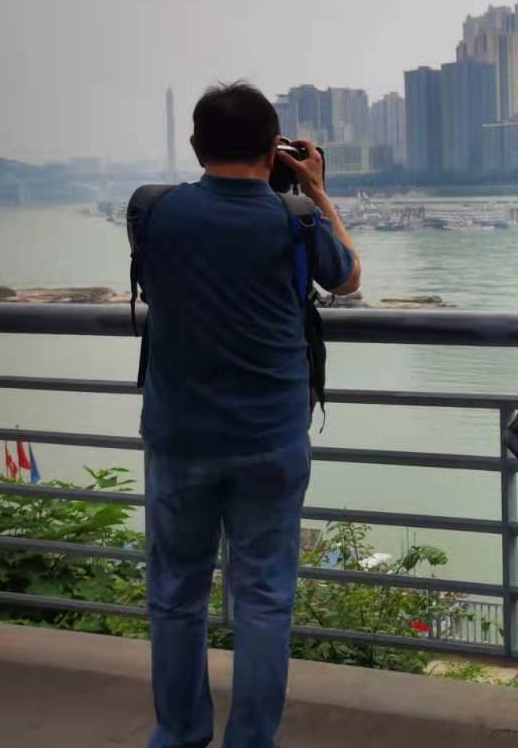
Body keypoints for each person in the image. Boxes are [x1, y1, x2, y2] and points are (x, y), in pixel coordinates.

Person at [140, 82, 360, 748]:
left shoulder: (154, 212)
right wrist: (314, 188)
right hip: (270, 438)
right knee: (264, 599)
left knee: (176, 595)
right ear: (274, 150)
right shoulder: (295, 220)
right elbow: (347, 278)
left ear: (195, 147)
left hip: (179, 434)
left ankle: (179, 734)